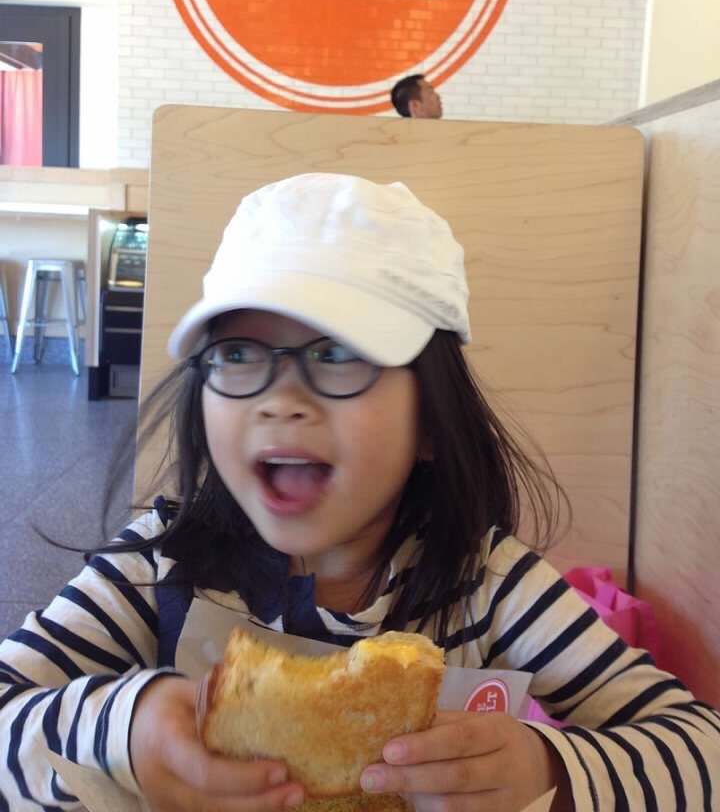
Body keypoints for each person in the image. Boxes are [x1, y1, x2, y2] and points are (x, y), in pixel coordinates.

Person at [1, 173, 719, 812]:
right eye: (240, 354)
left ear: (432, 419)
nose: (280, 399)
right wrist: (124, 728)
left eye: (338, 354)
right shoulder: (156, 571)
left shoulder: (493, 586)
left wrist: (550, 767)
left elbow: (702, 751)